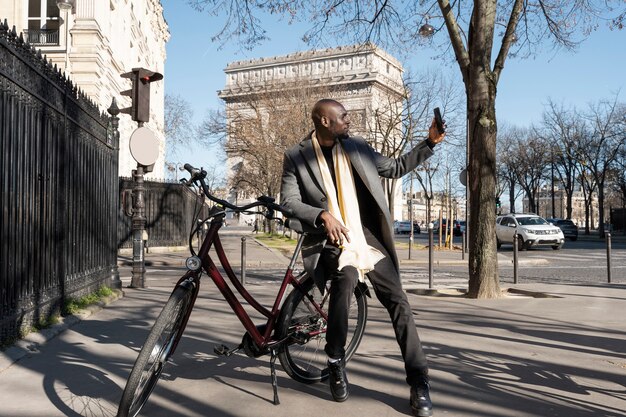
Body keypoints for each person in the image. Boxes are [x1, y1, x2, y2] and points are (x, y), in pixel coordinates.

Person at [280, 99, 445, 417]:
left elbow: (396, 168)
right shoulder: (296, 157)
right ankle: (335, 360)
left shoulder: (358, 147)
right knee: (345, 283)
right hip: (333, 242)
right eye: (342, 116)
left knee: (398, 300)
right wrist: (322, 215)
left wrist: (429, 143)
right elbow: (288, 201)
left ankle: (419, 380)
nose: (349, 119)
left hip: (367, 239)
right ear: (324, 121)